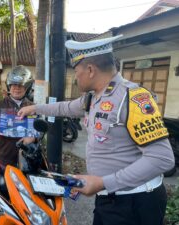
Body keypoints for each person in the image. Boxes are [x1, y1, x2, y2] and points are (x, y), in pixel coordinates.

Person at [17, 35, 175, 225]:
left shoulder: (133, 98)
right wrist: (34, 108)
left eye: (76, 71)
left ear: (90, 69)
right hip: (109, 199)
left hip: (133, 204)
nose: (75, 77)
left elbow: (162, 158)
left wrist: (102, 182)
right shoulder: (93, 98)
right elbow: (65, 108)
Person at [0, 65, 36, 172]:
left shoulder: (32, 106)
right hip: (3, 160)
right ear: (9, 86)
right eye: (14, 85)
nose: (17, 88)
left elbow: (36, 129)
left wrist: (34, 137)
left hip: (26, 159)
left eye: (21, 85)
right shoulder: (0, 105)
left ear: (27, 87)